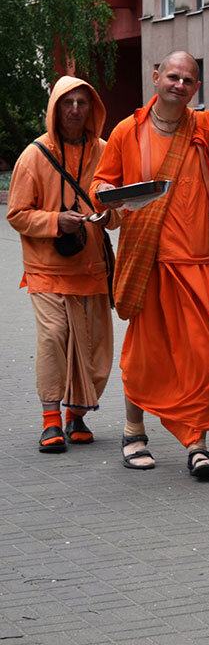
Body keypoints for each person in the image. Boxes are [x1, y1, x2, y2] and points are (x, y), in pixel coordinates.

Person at [90, 42, 209, 478]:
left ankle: (197, 443)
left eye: (188, 80)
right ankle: (134, 432)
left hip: (199, 262)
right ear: (156, 78)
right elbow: (103, 181)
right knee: (145, 355)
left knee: (203, 359)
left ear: (196, 87)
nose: (180, 85)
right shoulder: (128, 130)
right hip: (148, 260)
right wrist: (108, 198)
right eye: (173, 77)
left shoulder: (206, 126)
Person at [8, 76, 116, 454]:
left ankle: (77, 415)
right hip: (46, 268)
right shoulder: (33, 155)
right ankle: (50, 420)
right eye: (67, 103)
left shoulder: (105, 151)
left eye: (82, 103)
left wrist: (108, 218)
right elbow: (18, 214)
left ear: (92, 109)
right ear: (55, 108)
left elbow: (116, 209)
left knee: (91, 347)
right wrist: (56, 222)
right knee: (54, 339)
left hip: (91, 267)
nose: (74, 110)